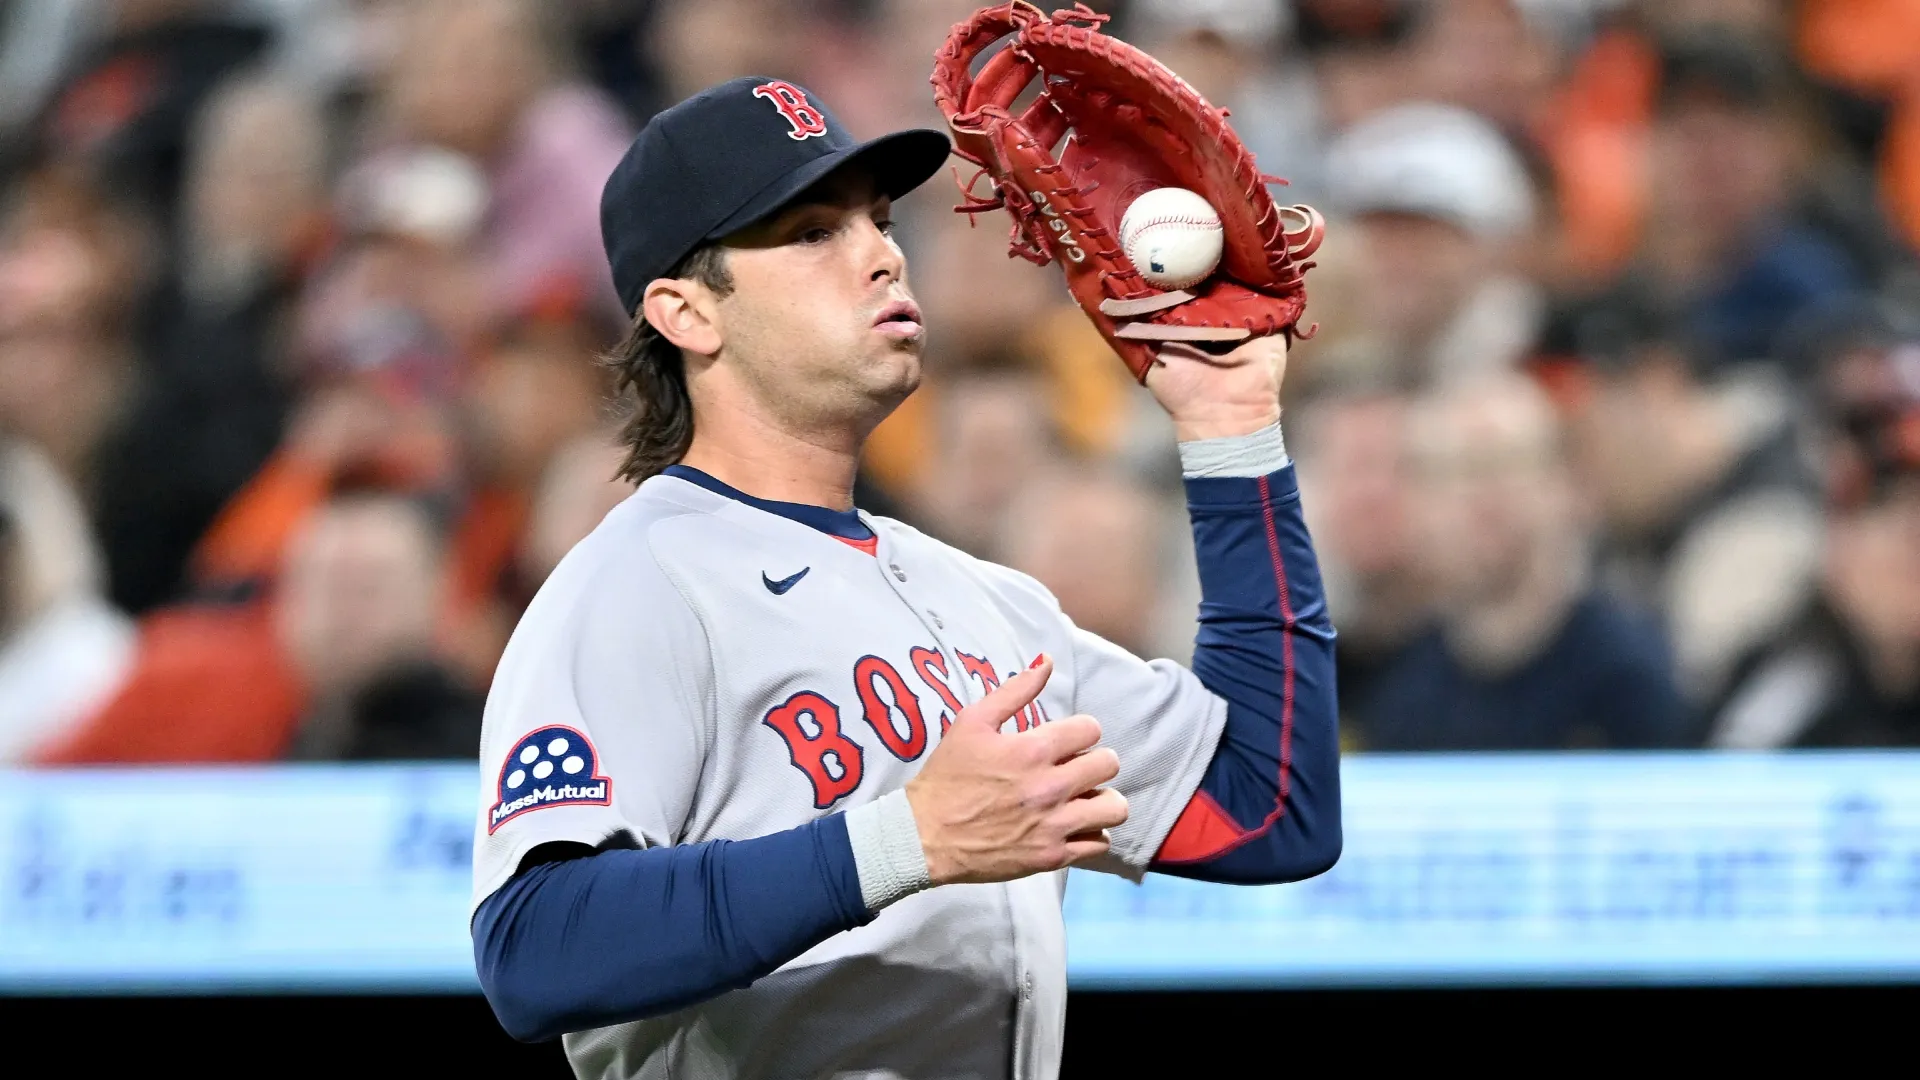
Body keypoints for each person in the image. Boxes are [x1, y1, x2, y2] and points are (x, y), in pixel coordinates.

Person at [468, 78, 1342, 1076]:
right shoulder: (638, 583)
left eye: (879, 221)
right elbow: (535, 950)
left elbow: (1267, 811)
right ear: (686, 313)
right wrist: (904, 841)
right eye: (810, 233)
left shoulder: (983, 600)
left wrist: (1230, 433)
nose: (885, 251)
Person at [1352, 373, 1691, 750]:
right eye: (1453, 472)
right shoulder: (1404, 694)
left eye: (1504, 464)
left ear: (1566, 485)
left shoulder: (1631, 677)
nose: (1481, 498)